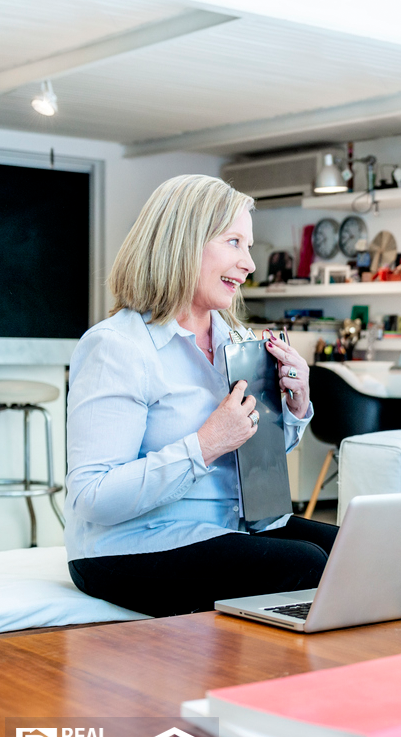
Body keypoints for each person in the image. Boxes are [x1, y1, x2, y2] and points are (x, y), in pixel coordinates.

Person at [64, 174, 336, 618]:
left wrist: (294, 408)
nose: (249, 264)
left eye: (248, 247)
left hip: (228, 526)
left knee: (356, 549)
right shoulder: (118, 347)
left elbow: (251, 456)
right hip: (126, 545)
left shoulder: (235, 340)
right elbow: (91, 497)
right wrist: (205, 445)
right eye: (234, 242)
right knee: (303, 565)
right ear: (183, 243)